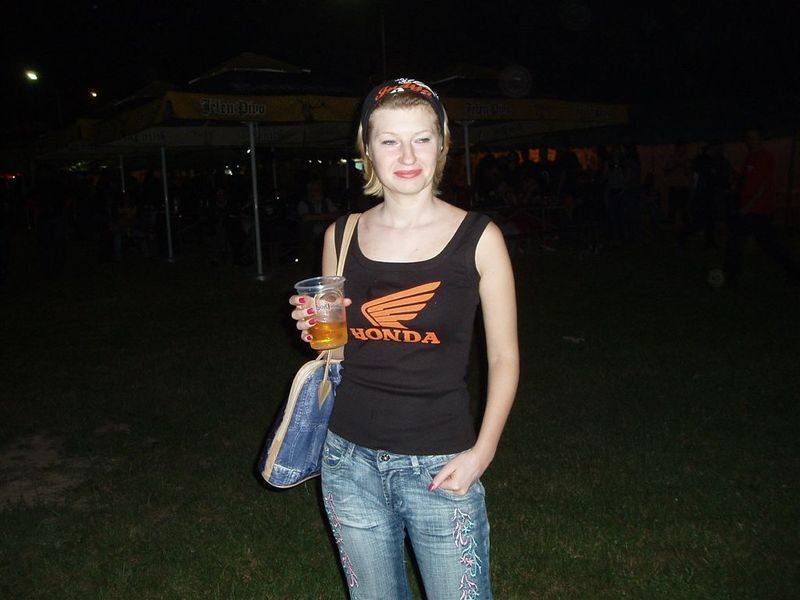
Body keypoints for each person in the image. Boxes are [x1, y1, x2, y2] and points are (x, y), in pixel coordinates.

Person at [289, 78, 519, 599]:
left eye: (421, 138)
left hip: (440, 462)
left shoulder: (479, 238)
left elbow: (504, 357)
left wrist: (482, 452)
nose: (407, 155)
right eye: (390, 140)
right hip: (347, 460)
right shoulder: (341, 235)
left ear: (442, 145)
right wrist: (315, 331)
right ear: (367, 150)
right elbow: (335, 351)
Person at [723, 128, 800, 286]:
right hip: (749, 208)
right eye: (749, 138)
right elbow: (748, 181)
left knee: (765, 243)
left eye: (754, 138)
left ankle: (793, 270)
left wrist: (749, 205)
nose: (751, 141)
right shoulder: (750, 157)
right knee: (741, 240)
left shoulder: (765, 157)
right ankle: (730, 274)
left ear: (761, 139)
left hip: (759, 209)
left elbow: (764, 184)